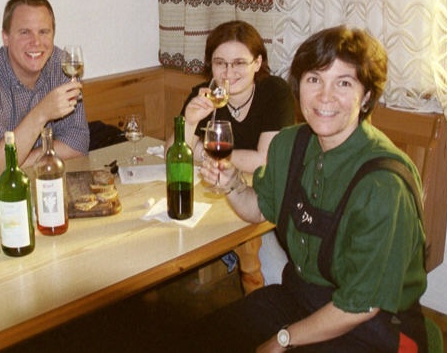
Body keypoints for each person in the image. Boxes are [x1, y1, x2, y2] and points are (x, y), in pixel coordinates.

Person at [195, 26, 428, 351]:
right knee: (203, 337)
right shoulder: (289, 145)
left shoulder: (384, 184)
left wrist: (282, 339)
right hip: (301, 297)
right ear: (299, 86)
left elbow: (360, 305)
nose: (324, 96)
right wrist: (232, 183)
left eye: (343, 83)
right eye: (314, 79)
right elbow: (258, 208)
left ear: (367, 97)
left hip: (373, 325)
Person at [0, 0, 89, 182]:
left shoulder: (63, 65)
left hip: (44, 180)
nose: (36, 42)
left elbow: (78, 144)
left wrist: (22, 161)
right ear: (6, 37)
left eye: (43, 32)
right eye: (25, 32)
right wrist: (42, 113)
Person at [176, 20, 295, 175]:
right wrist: (190, 123)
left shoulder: (275, 92)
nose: (229, 73)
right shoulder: (206, 94)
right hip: (219, 182)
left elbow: (266, 161)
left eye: (239, 63)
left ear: (257, 63)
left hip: (258, 186)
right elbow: (174, 154)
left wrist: (205, 153)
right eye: (220, 63)